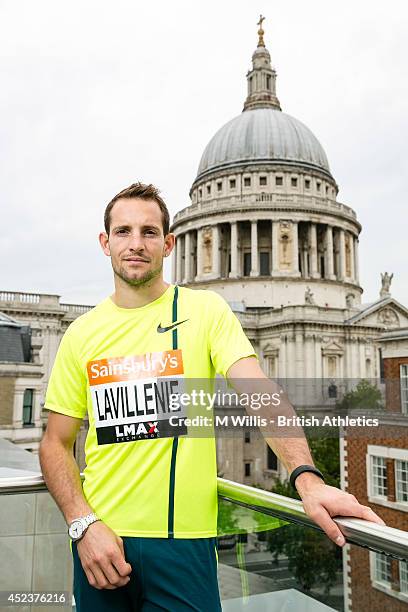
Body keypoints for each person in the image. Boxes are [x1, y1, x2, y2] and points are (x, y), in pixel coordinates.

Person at [39, 182, 384, 611]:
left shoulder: (207, 311)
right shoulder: (80, 333)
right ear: (105, 242)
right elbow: (55, 442)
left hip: (186, 544)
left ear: (169, 245)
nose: (136, 244)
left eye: (149, 232)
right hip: (101, 541)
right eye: (124, 231)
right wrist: (82, 524)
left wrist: (305, 478)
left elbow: (262, 396)